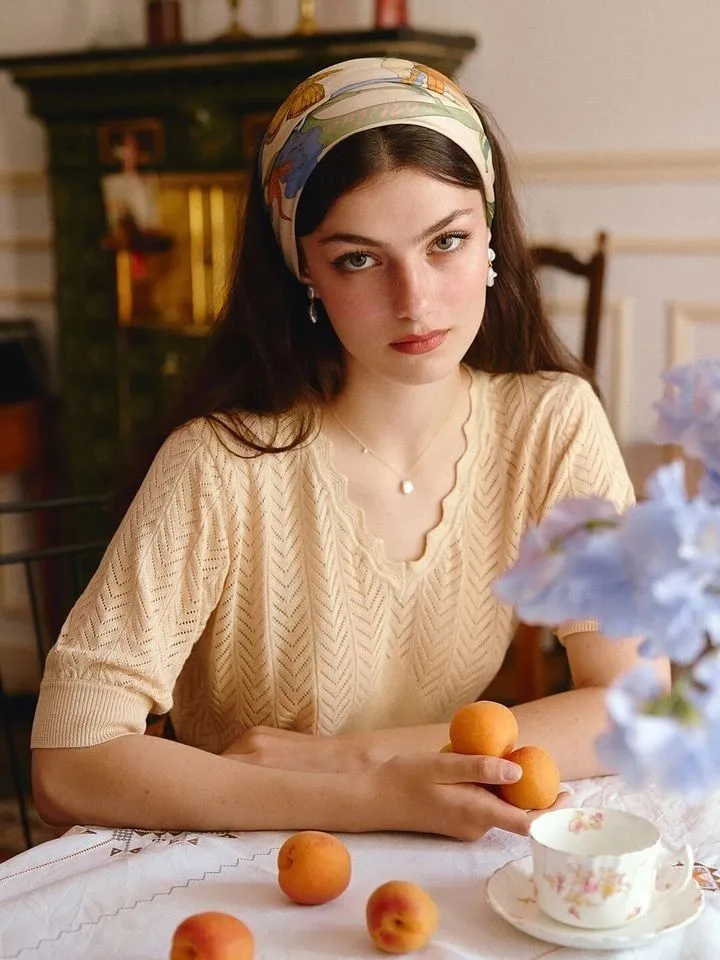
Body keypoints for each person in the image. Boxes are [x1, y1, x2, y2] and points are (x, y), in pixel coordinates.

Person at [30, 58, 668, 842]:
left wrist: (359, 762)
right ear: (306, 272)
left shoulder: (552, 423)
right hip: (233, 867)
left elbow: (632, 698)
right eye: (358, 259)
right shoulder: (218, 464)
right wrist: (373, 796)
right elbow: (66, 759)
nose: (416, 300)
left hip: (420, 846)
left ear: (492, 237)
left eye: (447, 241)